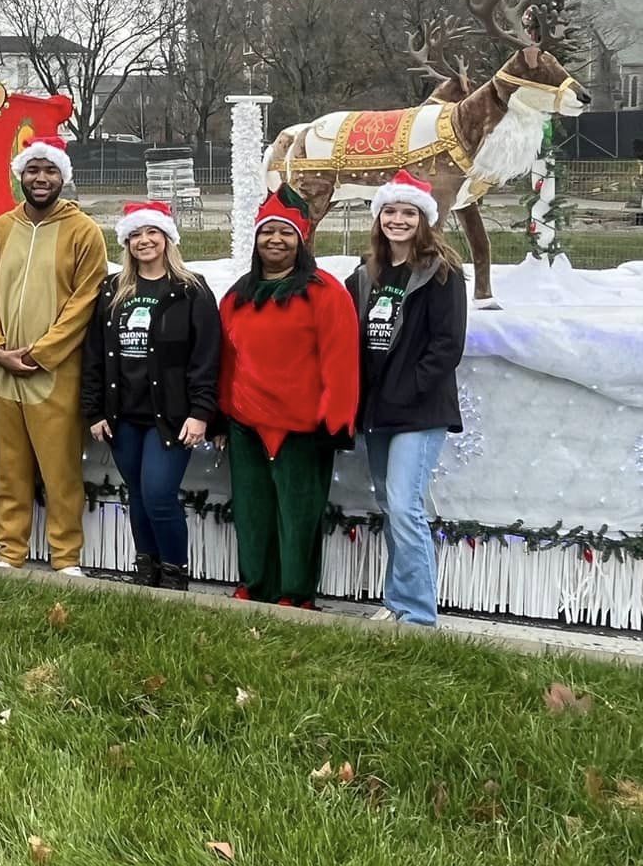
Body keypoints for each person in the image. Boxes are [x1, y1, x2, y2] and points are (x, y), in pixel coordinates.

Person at [216, 186, 359, 606]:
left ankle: (296, 594)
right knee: (253, 512)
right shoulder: (237, 296)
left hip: (303, 427)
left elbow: (341, 361)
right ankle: (255, 584)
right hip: (247, 424)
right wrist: (223, 416)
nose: (275, 240)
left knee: (298, 516)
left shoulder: (325, 292)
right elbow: (226, 361)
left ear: (301, 239)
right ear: (255, 240)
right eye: (266, 233)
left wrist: (336, 421)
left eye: (285, 233)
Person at [0, 134, 108, 573]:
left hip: (55, 373)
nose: (40, 178)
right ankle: (9, 553)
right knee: (10, 469)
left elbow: (85, 300)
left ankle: (65, 557)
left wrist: (42, 352)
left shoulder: (84, 232)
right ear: (20, 175)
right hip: (4, 373)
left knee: (60, 470)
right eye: (32, 170)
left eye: (49, 170)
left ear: (62, 177)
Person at [343, 169, 467, 625]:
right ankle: (397, 603)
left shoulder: (442, 272)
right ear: (378, 218)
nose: (398, 219)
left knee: (404, 505)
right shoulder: (365, 274)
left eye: (408, 212)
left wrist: (408, 387)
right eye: (390, 211)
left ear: (423, 219)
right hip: (376, 411)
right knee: (389, 505)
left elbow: (447, 345)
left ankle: (418, 615)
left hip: (417, 411)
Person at [81, 201, 221, 592]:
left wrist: (201, 412)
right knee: (138, 494)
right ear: (126, 242)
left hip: (172, 416)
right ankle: (147, 570)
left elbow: (207, 355)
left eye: (151, 233)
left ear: (166, 239)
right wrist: (94, 410)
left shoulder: (191, 289)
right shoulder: (112, 290)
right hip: (123, 415)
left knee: (159, 494)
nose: (144, 241)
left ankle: (175, 572)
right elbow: (94, 354)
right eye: (136, 235)